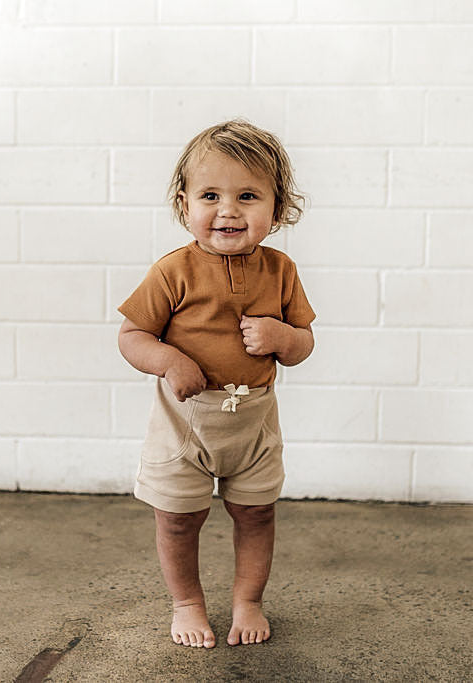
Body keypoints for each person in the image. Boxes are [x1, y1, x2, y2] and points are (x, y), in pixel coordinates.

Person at [117, 119, 316, 649]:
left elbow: (304, 344)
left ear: (277, 210)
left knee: (256, 513)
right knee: (179, 519)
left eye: (247, 196)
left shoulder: (281, 271)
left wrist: (281, 336)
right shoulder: (172, 272)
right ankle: (187, 603)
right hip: (185, 424)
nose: (228, 210)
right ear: (185, 205)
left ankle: (248, 599)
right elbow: (132, 335)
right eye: (210, 195)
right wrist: (168, 360)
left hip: (253, 423)